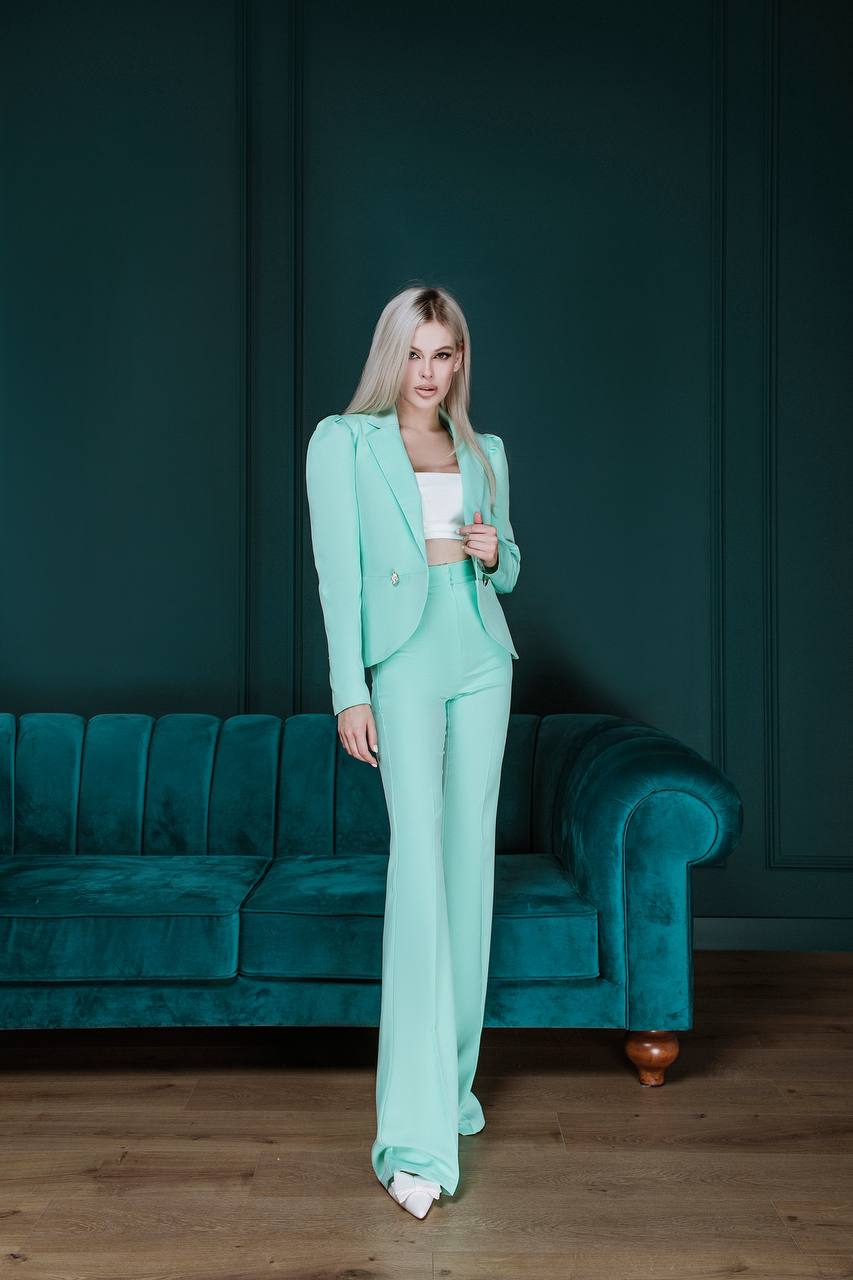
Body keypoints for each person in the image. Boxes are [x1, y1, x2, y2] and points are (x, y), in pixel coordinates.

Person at [305, 284, 520, 1218]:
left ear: (460, 360)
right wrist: (349, 690)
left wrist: (487, 546)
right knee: (419, 874)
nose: (429, 372)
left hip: (481, 658)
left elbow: (507, 562)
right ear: (392, 356)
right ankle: (414, 1137)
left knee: (471, 878)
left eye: (445, 354)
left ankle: (453, 1085)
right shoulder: (341, 443)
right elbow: (335, 572)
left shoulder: (485, 451)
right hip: (401, 663)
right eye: (416, 353)